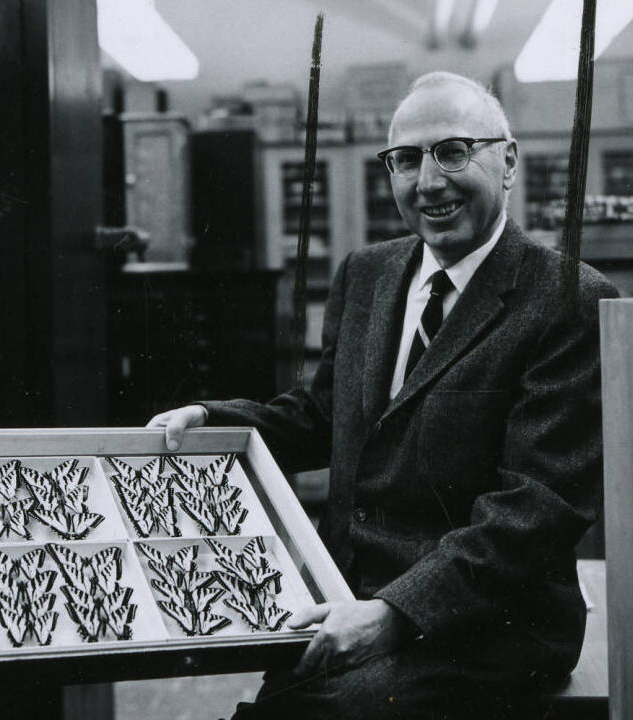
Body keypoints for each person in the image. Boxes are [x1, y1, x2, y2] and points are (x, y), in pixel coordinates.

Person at [148, 71, 618, 719]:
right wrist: (213, 417)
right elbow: (323, 415)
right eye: (405, 160)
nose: (428, 182)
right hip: (349, 593)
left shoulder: (567, 298)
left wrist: (393, 613)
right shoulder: (366, 274)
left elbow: (533, 510)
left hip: (486, 625)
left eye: (453, 151)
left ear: (507, 162)